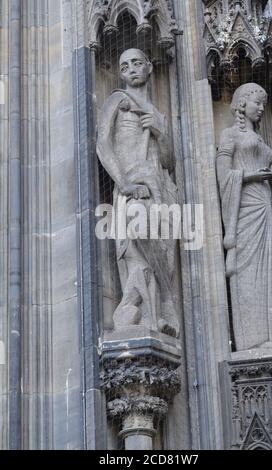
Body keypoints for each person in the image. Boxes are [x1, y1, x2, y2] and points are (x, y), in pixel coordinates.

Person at [97, 48, 179, 337]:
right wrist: (124, 183)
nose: (131, 69)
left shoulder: (158, 115)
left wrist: (160, 131)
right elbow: (102, 145)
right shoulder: (118, 101)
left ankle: (149, 318)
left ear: (148, 68)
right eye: (125, 65)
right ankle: (148, 307)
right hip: (133, 190)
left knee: (157, 257)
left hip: (160, 192)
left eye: (136, 63)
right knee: (137, 246)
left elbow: (169, 161)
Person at [216, 83, 272, 351]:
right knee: (246, 271)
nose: (261, 108)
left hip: (264, 206)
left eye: (264, 104)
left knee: (267, 270)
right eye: (257, 103)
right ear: (243, 103)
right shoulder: (229, 135)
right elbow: (223, 175)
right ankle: (249, 340)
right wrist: (252, 175)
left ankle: (271, 335)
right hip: (244, 208)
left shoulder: (262, 140)